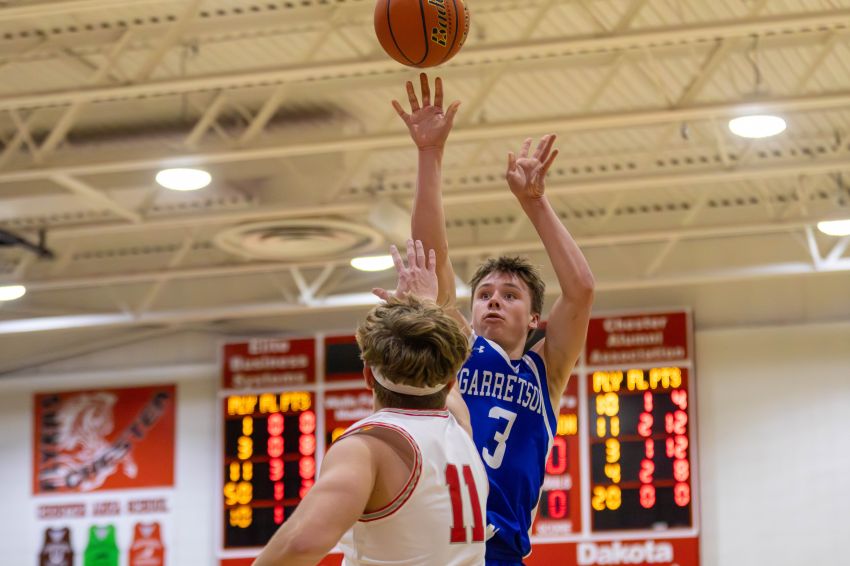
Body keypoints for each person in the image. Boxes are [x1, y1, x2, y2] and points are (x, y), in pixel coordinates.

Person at [393, 74, 595, 565]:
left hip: (504, 551)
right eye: (483, 294)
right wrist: (429, 155)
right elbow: (432, 256)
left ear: (534, 319)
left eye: (510, 295)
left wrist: (535, 202)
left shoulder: (545, 373)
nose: (493, 302)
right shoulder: (457, 347)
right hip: (445, 544)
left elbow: (582, 290)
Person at [253, 240, 487, 566]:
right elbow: (447, 379)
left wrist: (420, 307)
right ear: (448, 380)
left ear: (367, 375)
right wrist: (422, 308)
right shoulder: (462, 428)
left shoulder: (369, 446)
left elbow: (303, 544)